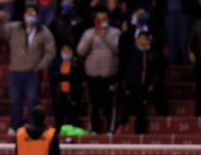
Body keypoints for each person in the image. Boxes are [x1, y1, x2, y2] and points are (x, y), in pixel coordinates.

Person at [0, 4, 56, 135]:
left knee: (32, 101)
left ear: (37, 15)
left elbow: (51, 51)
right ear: (24, 14)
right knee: (15, 101)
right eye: (28, 12)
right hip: (16, 71)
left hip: (33, 72)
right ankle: (15, 127)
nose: (30, 15)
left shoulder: (43, 31)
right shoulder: (14, 28)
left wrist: (41, 66)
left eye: (33, 13)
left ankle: (32, 126)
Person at [77, 5, 121, 134]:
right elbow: (80, 51)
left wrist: (104, 37)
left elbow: (118, 49)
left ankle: (110, 129)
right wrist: (89, 42)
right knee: (94, 104)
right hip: (92, 75)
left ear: (108, 19)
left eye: (104, 19)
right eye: (99, 19)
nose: (101, 22)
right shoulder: (88, 33)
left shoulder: (115, 32)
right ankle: (94, 129)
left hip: (110, 74)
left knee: (109, 104)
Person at [117, 31, 160, 134]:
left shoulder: (152, 54)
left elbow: (156, 71)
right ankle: (122, 126)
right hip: (131, 85)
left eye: (145, 38)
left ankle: (140, 132)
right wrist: (125, 32)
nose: (142, 41)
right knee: (126, 106)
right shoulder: (131, 52)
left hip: (144, 86)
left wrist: (153, 84)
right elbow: (122, 46)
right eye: (140, 38)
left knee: (141, 110)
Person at [49, 44, 84, 129]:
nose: (66, 53)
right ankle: (58, 131)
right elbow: (53, 75)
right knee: (59, 113)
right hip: (58, 93)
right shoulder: (55, 62)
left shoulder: (76, 63)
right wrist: (67, 76)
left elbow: (78, 76)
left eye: (68, 51)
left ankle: (71, 131)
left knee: (72, 113)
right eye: (64, 51)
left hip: (72, 93)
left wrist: (63, 76)